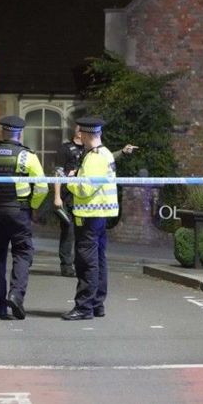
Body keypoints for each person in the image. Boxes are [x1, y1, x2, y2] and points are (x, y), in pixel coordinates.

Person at [0, 116, 48, 320]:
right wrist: (32, 206)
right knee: (23, 253)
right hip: (19, 212)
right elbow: (42, 186)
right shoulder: (28, 157)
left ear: (1, 132)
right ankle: (15, 294)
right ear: (20, 133)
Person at [53, 125, 137, 277]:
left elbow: (104, 160)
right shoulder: (65, 149)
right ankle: (66, 265)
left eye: (83, 131)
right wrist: (57, 196)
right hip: (69, 197)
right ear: (77, 132)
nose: (81, 133)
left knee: (85, 241)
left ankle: (81, 267)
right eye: (79, 130)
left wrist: (123, 152)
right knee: (68, 232)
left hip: (85, 200)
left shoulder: (92, 151)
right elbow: (58, 173)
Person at [62, 116, 117, 321]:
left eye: (81, 133)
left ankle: (84, 306)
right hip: (100, 215)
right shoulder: (105, 153)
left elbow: (85, 188)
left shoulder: (94, 157)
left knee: (87, 262)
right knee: (99, 260)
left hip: (89, 215)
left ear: (85, 134)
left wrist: (70, 181)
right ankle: (96, 304)